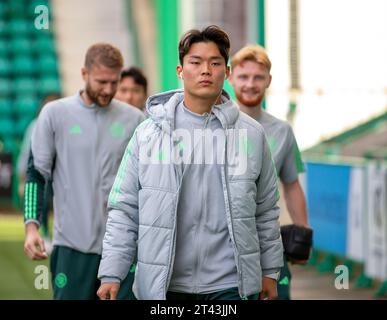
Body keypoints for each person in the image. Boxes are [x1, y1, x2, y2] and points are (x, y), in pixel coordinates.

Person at [97, 25, 283, 300]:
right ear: (180, 71)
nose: (205, 70)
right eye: (195, 62)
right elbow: (124, 207)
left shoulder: (252, 135)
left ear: (227, 73)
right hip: (164, 286)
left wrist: (270, 271)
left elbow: (266, 210)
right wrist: (112, 272)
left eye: (215, 63)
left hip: (230, 285)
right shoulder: (147, 134)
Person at [23, 43, 145, 300]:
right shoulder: (55, 114)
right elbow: (36, 173)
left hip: (123, 249)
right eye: (102, 81)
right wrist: (31, 227)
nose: (109, 89)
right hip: (72, 247)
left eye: (115, 82)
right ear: (84, 74)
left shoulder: (135, 119)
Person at [229, 44, 309, 300]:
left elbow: (292, 184)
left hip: (268, 242)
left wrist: (302, 231)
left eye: (258, 77)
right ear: (230, 77)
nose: (250, 84)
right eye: (243, 76)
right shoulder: (213, 124)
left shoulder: (281, 130)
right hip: (223, 245)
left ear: (269, 80)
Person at [17, 93, 60, 250]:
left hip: (63, 176)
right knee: (44, 205)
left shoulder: (70, 124)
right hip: (44, 175)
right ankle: (45, 235)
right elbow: (26, 152)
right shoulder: (36, 125)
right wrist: (23, 177)